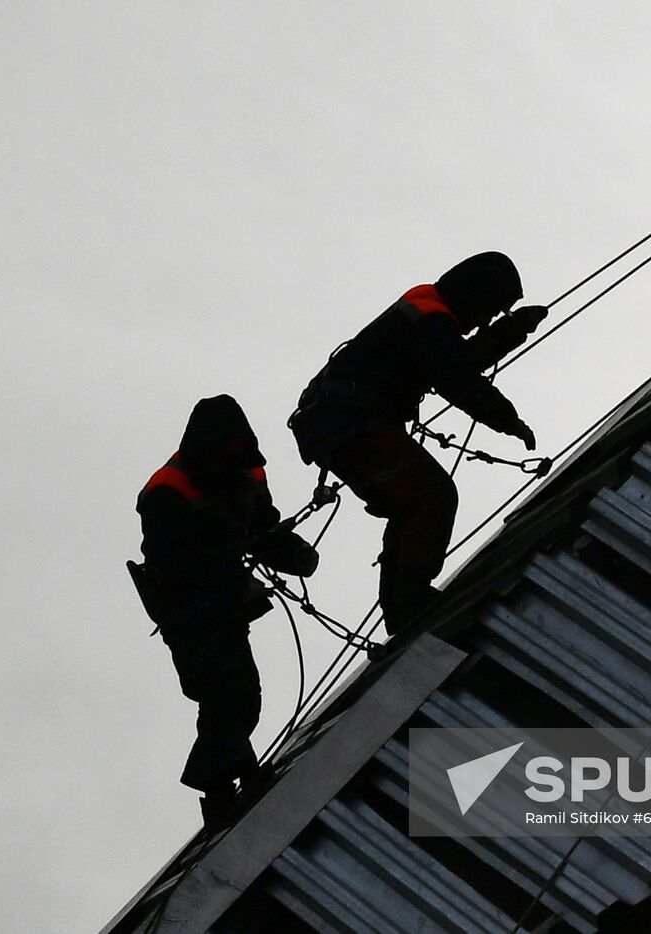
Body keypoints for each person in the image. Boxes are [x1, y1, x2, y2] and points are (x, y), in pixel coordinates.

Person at [289, 251, 546, 633]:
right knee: (434, 495)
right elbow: (457, 377)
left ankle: (402, 603)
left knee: (413, 502)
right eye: (491, 309)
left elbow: (454, 360)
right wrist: (510, 421)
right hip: (350, 424)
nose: (487, 319)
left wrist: (508, 335)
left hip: (338, 422)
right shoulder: (431, 319)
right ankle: (407, 600)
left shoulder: (429, 313)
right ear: (477, 295)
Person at [134, 394, 319, 831]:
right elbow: (170, 564)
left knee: (238, 697)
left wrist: (294, 554)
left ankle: (227, 784)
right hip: (188, 611)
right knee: (225, 694)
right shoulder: (166, 492)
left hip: (225, 601)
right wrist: (224, 561)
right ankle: (220, 787)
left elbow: (263, 528)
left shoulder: (248, 472)